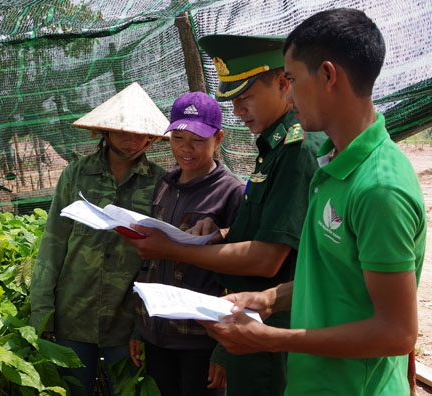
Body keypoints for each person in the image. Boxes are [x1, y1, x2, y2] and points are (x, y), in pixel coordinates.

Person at [198, 8, 427, 395]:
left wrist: (272, 339)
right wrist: (269, 298)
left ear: (327, 75)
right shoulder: (331, 166)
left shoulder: (378, 188)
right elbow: (336, 282)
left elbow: (396, 333)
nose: (287, 90)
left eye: (290, 78)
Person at [124, 35, 325, 396]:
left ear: (283, 83)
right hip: (243, 323)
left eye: (245, 96)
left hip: (267, 327)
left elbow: (267, 258)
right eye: (232, 99)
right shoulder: (273, 148)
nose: (238, 110)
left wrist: (172, 248)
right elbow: (270, 227)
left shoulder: (296, 150)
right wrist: (221, 233)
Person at [29, 82, 169, 396]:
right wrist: (42, 312)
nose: (132, 141)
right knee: (71, 390)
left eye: (140, 134)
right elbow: (53, 243)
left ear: (152, 137)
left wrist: (146, 324)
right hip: (73, 314)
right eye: (123, 132)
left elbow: (163, 259)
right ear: (104, 132)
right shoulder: (76, 176)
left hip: (129, 321)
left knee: (129, 390)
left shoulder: (161, 183)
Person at [130, 91, 245, 395]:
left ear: (218, 139)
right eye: (178, 138)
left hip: (202, 337)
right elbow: (150, 263)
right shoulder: (164, 186)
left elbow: (240, 274)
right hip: (158, 333)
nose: (186, 149)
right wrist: (139, 327)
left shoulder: (231, 192)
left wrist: (224, 348)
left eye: (197, 139)